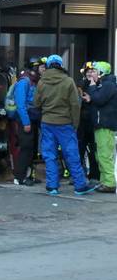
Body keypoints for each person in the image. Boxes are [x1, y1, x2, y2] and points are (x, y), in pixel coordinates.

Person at [32, 55, 98, 196]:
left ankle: (52, 186)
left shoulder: (42, 81)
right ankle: (79, 186)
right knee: (71, 154)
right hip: (65, 123)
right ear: (61, 65)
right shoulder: (68, 81)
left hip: (47, 123)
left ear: (48, 66)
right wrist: (75, 124)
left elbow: (36, 103)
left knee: (50, 155)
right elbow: (75, 105)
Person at [84, 61, 117, 193]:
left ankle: (109, 183)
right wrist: (90, 99)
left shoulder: (108, 85)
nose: (92, 74)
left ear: (101, 73)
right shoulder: (104, 84)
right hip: (100, 124)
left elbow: (99, 99)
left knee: (104, 155)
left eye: (94, 71)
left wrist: (92, 88)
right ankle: (105, 182)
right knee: (100, 155)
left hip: (105, 125)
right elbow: (97, 100)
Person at [11, 59, 41, 186]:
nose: (42, 69)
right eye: (40, 67)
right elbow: (20, 104)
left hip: (33, 119)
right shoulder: (24, 82)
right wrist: (26, 122)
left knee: (31, 149)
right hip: (26, 120)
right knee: (26, 147)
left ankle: (29, 175)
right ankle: (19, 177)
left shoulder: (34, 81)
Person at [78, 62, 100, 180]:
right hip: (82, 122)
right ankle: (79, 175)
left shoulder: (100, 85)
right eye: (88, 72)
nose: (90, 74)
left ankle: (94, 175)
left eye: (92, 71)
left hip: (94, 122)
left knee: (93, 150)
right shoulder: (80, 84)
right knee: (80, 149)